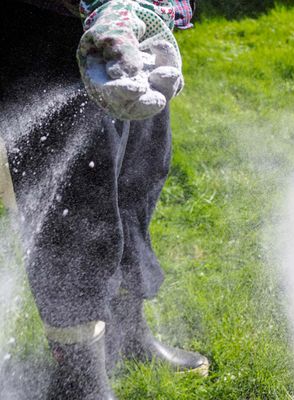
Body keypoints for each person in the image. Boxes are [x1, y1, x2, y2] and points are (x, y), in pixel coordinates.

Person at [0, 1, 208, 399]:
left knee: (139, 170)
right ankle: (79, 375)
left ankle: (126, 333)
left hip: (130, 16)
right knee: (75, 198)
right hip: (48, 22)